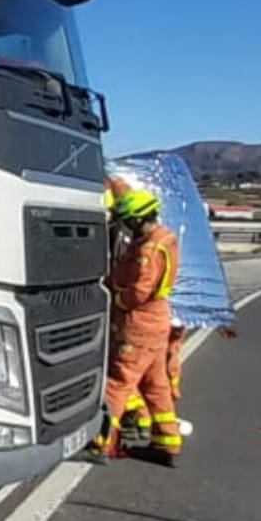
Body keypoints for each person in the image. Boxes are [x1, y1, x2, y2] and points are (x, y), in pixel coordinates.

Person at [92, 190, 183, 466]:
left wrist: (114, 300)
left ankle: (100, 443)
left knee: (118, 383)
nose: (125, 227)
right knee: (157, 387)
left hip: (139, 324)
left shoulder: (147, 249)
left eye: (127, 221)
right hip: (156, 324)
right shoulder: (165, 238)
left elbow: (139, 292)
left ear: (138, 218)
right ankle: (167, 444)